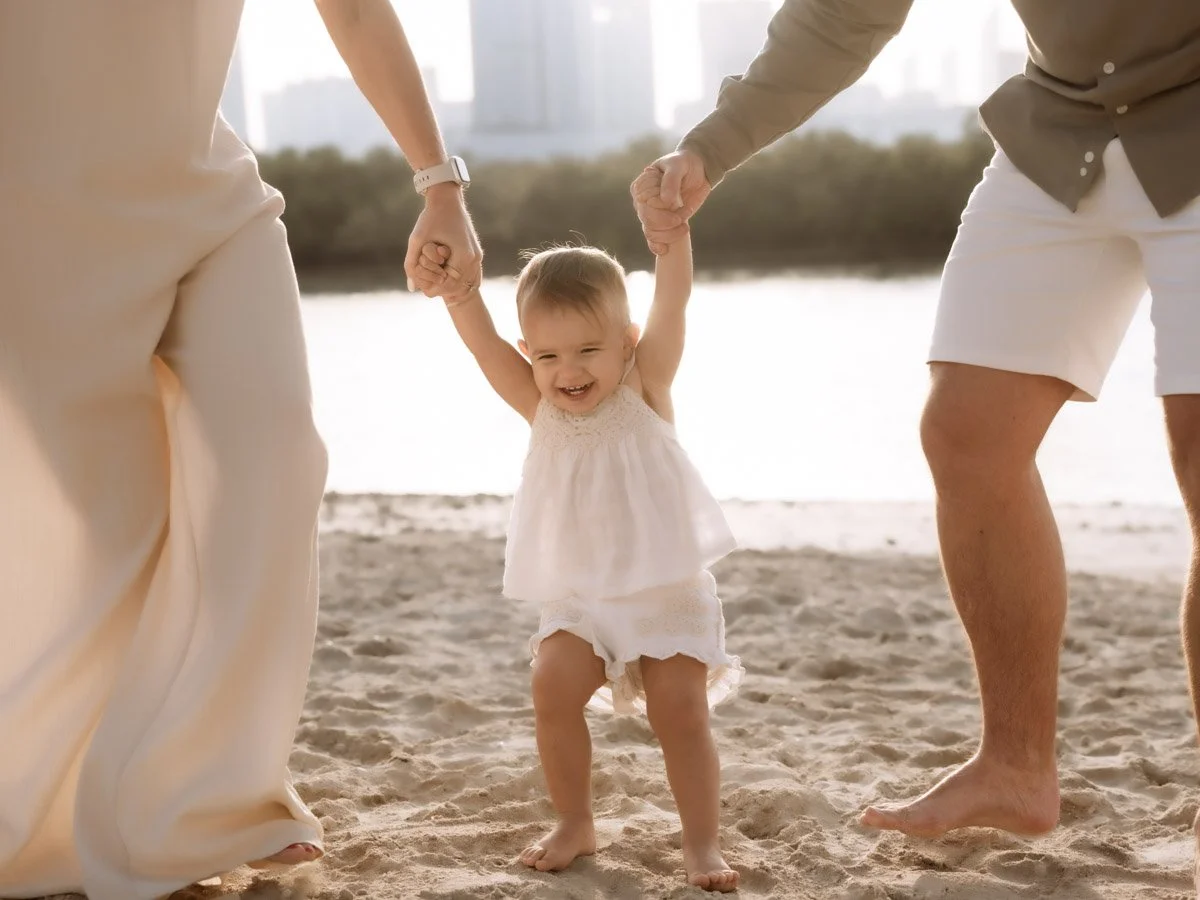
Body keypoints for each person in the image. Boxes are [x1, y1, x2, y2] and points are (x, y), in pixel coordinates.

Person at [633, 0, 1200, 867]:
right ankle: (1015, 766)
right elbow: (842, 14)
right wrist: (712, 145)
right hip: (1064, 127)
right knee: (968, 434)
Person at [0, 2, 478, 897]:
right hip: (29, 221)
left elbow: (356, 11)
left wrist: (438, 182)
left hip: (205, 194)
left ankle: (217, 803)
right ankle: (89, 802)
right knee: (103, 535)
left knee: (275, 455)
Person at [415, 234, 743, 891]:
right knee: (551, 688)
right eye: (549, 355)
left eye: (589, 350)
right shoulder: (538, 406)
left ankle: (702, 842)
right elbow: (482, 344)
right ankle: (575, 821)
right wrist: (459, 294)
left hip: (663, 588)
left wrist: (674, 242)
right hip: (579, 595)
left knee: (678, 713)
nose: (570, 370)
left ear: (626, 341)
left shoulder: (644, 386)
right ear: (527, 354)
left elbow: (673, 302)